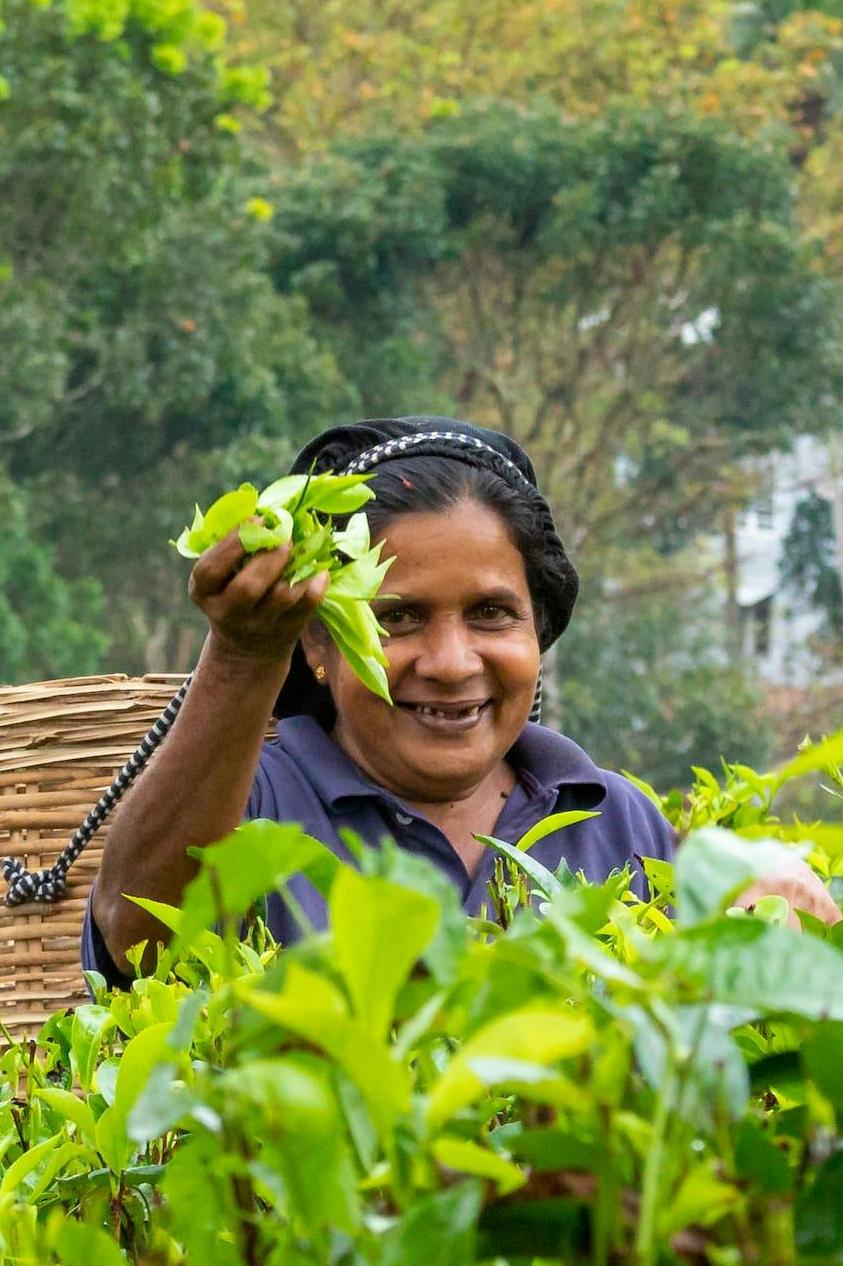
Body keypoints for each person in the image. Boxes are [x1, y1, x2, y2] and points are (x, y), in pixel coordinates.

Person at [85, 416, 679, 973]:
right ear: (316, 643)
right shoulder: (253, 800)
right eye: (398, 618)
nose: (451, 663)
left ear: (536, 630)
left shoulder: (615, 819)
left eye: (493, 613)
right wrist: (244, 657)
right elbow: (141, 943)